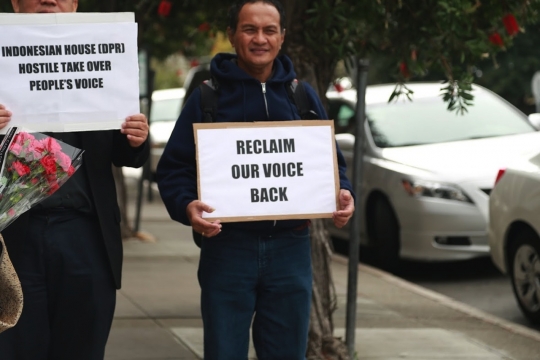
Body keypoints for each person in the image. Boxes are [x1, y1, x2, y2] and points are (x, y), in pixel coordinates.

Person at [156, 0, 355, 358]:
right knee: (224, 351)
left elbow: (331, 164)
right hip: (228, 249)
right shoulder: (207, 98)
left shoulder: (301, 96)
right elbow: (173, 170)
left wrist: (343, 193)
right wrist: (188, 206)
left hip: (291, 249)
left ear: (281, 37)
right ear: (232, 36)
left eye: (269, 30)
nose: (259, 38)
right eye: (250, 29)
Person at [0, 1, 150, 359]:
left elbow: (124, 152)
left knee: (82, 346)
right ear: (16, 3)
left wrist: (137, 138)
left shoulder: (102, 53)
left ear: (76, 3)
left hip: (86, 236)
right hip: (14, 238)